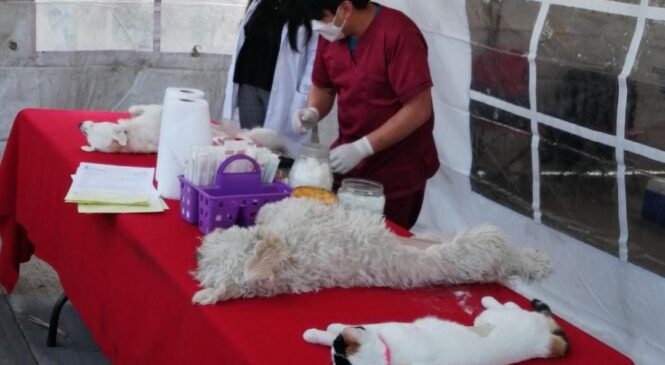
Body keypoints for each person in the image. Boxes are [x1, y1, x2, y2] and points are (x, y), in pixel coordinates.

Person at [292, 0, 439, 229]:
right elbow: (324, 86)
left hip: (395, 172)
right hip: (349, 168)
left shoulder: (398, 34)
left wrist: (363, 148)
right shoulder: (333, 36)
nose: (320, 28)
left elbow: (418, 108)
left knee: (381, 250)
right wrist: (313, 110)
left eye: (322, 20)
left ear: (346, 9)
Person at [223, 0, 320, 155]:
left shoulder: (308, 8)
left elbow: (314, 59)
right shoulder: (258, 3)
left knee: (276, 154)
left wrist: (304, 95)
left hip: (281, 94)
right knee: (250, 149)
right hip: (248, 84)